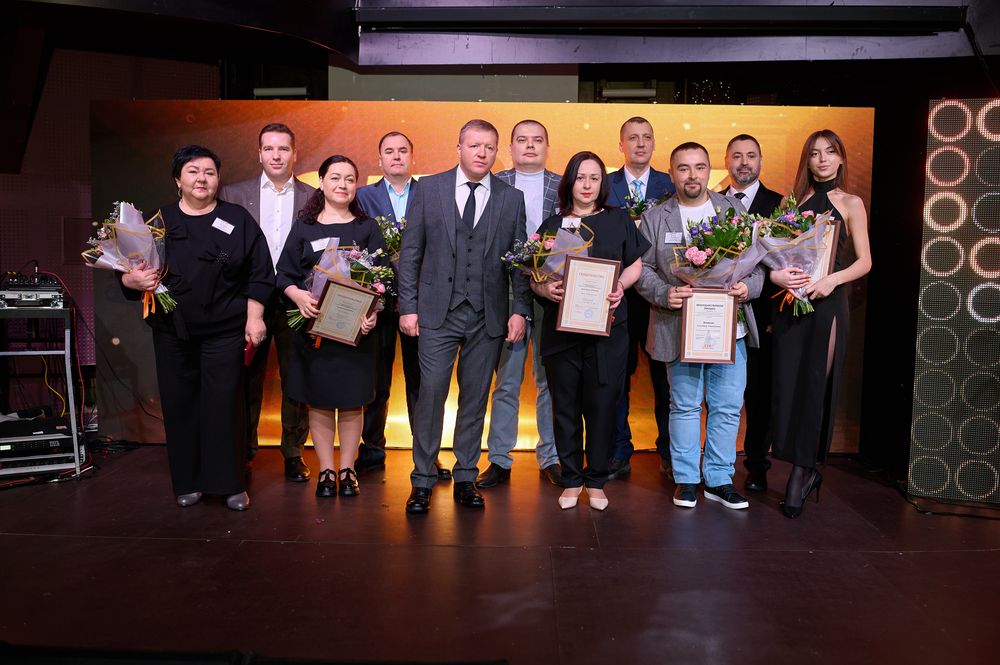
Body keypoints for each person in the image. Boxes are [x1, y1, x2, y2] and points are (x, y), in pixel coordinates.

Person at [121, 144, 273, 511]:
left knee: (225, 405)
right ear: (178, 179)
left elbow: (260, 273)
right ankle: (187, 481)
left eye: (209, 172)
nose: (201, 178)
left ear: (218, 179)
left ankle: (231, 484)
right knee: (180, 405)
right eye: (193, 171)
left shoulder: (237, 219)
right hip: (172, 330)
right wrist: (131, 280)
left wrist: (255, 318)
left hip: (225, 330)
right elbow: (127, 271)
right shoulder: (158, 222)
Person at [397, 119, 531, 514]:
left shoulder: (511, 198)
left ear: (496, 152)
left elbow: (519, 262)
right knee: (431, 395)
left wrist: (519, 310)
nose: (481, 153)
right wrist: (408, 307)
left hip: (488, 316)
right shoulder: (429, 189)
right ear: (459, 148)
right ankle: (422, 480)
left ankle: (466, 477)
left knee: (475, 399)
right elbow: (411, 253)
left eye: (489, 147)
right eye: (474, 145)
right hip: (436, 313)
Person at [635, 142, 762, 511]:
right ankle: (687, 479)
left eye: (699, 167)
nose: (692, 175)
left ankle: (719, 480)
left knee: (728, 406)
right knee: (685, 405)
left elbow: (757, 266)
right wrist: (664, 293)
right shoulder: (656, 217)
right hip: (679, 327)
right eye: (684, 168)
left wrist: (746, 288)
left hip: (730, 329)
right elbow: (642, 269)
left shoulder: (733, 210)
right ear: (672, 173)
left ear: (709, 170)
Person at [532, 151, 650, 510]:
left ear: (603, 183)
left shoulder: (618, 219)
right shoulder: (553, 224)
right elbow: (534, 275)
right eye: (580, 178)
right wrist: (545, 290)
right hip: (562, 332)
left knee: (602, 406)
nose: (587, 185)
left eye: (594, 178)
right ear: (570, 182)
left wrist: (620, 287)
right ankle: (571, 479)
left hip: (608, 330)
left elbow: (636, 264)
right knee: (565, 406)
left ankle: (596, 479)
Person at [769, 129, 872, 518]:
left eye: (830, 152)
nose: (823, 159)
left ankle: (803, 472)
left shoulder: (851, 203)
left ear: (841, 158)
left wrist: (833, 279)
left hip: (828, 306)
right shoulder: (790, 204)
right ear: (807, 161)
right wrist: (779, 276)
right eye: (815, 153)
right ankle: (795, 463)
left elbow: (865, 261)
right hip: (791, 304)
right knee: (787, 386)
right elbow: (773, 254)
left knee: (815, 386)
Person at [276, 155, 384, 498]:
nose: (342, 184)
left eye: (350, 179)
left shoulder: (367, 228)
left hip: (356, 334)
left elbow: (383, 280)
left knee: (352, 401)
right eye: (335, 177)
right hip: (314, 332)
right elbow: (283, 274)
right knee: (320, 400)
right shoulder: (305, 227)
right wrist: (297, 295)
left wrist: (373, 312)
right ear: (321, 182)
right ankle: (326, 470)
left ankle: (348, 470)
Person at [219, 123, 314, 483]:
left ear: (294, 153)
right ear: (259, 154)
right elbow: (223, 249)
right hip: (247, 301)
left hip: (295, 299)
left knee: (297, 376)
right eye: (269, 149)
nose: (276, 155)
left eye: (283, 149)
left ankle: (293, 452)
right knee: (245, 377)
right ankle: (243, 450)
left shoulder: (313, 197)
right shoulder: (233, 194)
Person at [354, 131, 450, 481]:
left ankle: (426, 456)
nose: (396, 157)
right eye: (389, 151)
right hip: (374, 303)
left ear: (413, 156)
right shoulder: (362, 196)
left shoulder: (431, 193)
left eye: (403, 151)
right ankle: (372, 448)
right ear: (379, 159)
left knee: (422, 383)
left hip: (422, 302)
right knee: (375, 380)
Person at [477, 119, 562, 490]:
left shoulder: (564, 186)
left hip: (553, 292)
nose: (530, 146)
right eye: (522, 140)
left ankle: (551, 457)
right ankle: (499, 459)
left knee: (550, 380)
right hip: (507, 293)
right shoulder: (493, 184)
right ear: (509, 148)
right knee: (506, 380)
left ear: (547, 147)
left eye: (537, 140)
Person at [607, 116, 676, 479]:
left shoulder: (670, 184)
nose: (640, 144)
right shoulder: (604, 185)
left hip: (659, 295)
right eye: (632, 138)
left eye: (646, 137)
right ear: (621, 144)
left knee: (666, 379)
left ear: (653, 143)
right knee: (617, 377)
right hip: (615, 294)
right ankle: (619, 451)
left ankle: (669, 451)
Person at [719, 134, 784, 493]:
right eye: (737, 156)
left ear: (760, 160)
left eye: (751, 156)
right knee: (720, 396)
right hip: (718, 316)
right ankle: (718, 465)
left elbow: (789, 262)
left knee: (759, 397)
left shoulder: (779, 205)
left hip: (763, 316)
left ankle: (757, 465)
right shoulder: (712, 204)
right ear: (726, 161)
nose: (744, 162)